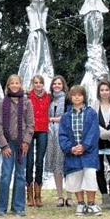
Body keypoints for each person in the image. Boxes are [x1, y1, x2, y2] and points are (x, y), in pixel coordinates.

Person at [58, 85, 102, 216]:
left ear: (84, 97)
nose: (77, 97)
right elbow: (62, 135)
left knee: (90, 177)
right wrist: (70, 148)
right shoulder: (66, 116)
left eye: (80, 95)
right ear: (70, 97)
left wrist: (84, 146)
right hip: (72, 153)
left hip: (89, 152)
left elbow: (93, 132)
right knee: (75, 178)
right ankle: (81, 204)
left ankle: (92, 204)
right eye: (74, 95)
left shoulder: (91, 113)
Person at [0, 75, 34, 216]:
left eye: (17, 82)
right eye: (12, 83)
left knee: (20, 175)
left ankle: (18, 207)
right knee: (6, 174)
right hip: (8, 143)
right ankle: (1, 207)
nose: (15, 85)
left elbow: (30, 125)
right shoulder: (2, 103)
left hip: (22, 143)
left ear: (21, 84)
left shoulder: (27, 103)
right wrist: (4, 145)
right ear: (8, 85)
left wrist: (26, 142)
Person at [45, 75, 73, 207]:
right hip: (51, 135)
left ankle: (70, 196)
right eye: (54, 84)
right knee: (56, 164)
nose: (56, 86)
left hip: (64, 134)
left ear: (63, 86)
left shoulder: (68, 99)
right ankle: (60, 196)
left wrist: (55, 119)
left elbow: (70, 117)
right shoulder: (49, 99)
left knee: (67, 164)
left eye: (59, 84)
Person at [93, 80, 110, 210]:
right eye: (102, 90)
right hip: (97, 142)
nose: (104, 92)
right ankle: (104, 197)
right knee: (99, 170)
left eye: (107, 90)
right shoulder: (94, 105)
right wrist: (103, 132)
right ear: (99, 92)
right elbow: (92, 123)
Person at [26, 75, 51, 207]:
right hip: (30, 130)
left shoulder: (48, 96)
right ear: (33, 84)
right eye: (35, 83)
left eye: (40, 83)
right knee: (29, 161)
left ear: (43, 84)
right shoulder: (27, 96)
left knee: (39, 161)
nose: (38, 85)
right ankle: (29, 194)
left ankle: (38, 194)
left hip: (43, 130)